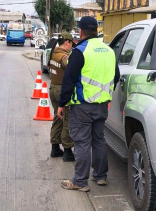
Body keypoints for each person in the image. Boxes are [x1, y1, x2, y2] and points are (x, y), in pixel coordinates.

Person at [58, 16, 120, 192]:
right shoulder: (109, 50)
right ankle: (100, 176)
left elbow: (68, 80)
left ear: (80, 31)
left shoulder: (79, 51)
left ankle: (80, 181)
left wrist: (62, 103)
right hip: (102, 106)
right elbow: (115, 76)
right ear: (97, 30)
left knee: (82, 142)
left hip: (82, 106)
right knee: (99, 140)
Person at [49, 32, 75, 162]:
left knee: (57, 118)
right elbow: (68, 65)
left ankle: (55, 147)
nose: (72, 47)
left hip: (53, 88)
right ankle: (68, 151)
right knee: (67, 120)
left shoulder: (53, 53)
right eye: (71, 44)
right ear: (67, 42)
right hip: (62, 91)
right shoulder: (64, 56)